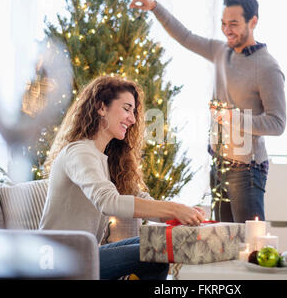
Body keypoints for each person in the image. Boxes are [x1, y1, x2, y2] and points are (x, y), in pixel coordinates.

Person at [130, 0, 286, 223]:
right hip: (220, 164)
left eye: (234, 24)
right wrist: (155, 7)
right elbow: (185, 37)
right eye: (223, 23)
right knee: (224, 242)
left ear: (253, 21)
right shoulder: (221, 51)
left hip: (247, 170)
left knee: (248, 243)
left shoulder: (267, 67)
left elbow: (277, 123)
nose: (227, 30)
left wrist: (232, 118)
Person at [39, 75, 205, 280]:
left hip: (83, 253)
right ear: (101, 107)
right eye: (126, 109)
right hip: (58, 261)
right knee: (155, 254)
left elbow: (142, 200)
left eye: (134, 112)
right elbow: (109, 202)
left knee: (155, 246)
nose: (133, 119)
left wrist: (179, 213)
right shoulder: (80, 152)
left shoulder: (105, 158)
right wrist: (173, 208)